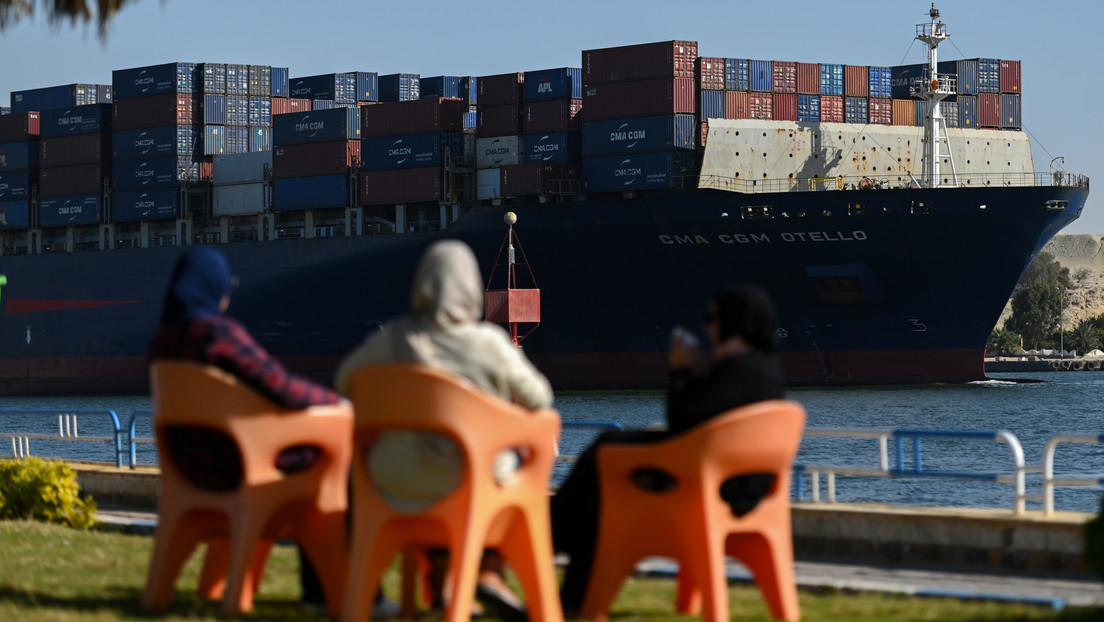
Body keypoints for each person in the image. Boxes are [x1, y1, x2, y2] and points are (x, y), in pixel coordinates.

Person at [147, 246, 397, 617]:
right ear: (213, 287)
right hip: (246, 469)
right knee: (338, 467)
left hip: (194, 471)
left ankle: (221, 586)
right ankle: (350, 593)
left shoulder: (162, 342)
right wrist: (338, 404)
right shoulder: (217, 334)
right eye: (226, 285)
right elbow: (279, 386)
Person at [335, 239, 553, 622]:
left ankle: (440, 584)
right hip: (475, 483)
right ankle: (487, 571)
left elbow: (346, 380)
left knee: (428, 471)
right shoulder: (491, 344)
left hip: (397, 483)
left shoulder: (395, 338)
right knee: (487, 475)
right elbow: (540, 398)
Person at [550, 284, 786, 614]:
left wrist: (681, 371)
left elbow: (683, 421)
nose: (707, 327)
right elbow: (705, 425)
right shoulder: (767, 373)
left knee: (603, 456)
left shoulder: (736, 371)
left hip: (703, 490)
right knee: (604, 494)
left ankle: (551, 538)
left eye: (712, 318)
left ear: (735, 322)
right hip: (743, 488)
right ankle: (571, 594)